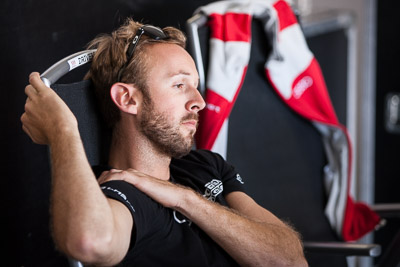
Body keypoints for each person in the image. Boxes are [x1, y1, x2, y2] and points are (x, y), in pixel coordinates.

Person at [21, 18, 308, 266]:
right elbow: (89, 242)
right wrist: (63, 128)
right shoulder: (120, 195)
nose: (200, 102)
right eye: (179, 85)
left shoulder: (207, 166)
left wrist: (183, 198)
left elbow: (291, 260)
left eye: (195, 86)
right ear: (128, 99)